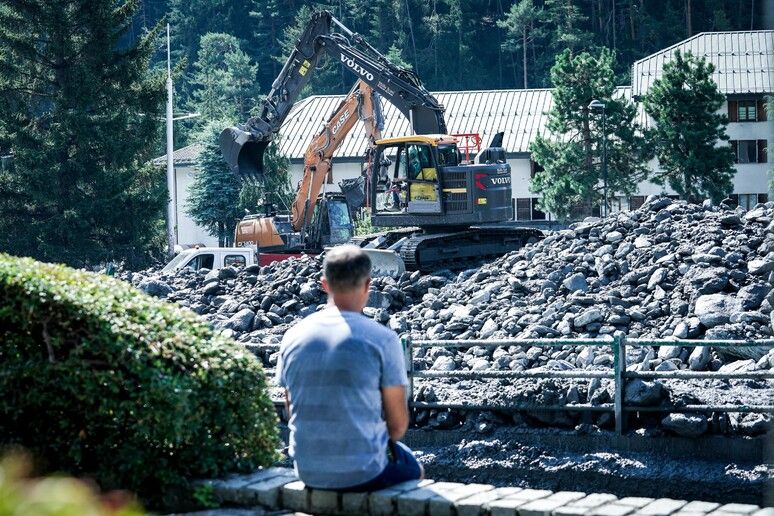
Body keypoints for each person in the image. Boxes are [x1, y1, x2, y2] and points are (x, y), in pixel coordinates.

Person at [276, 245, 423, 491]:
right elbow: (397, 427)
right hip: (362, 473)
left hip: (307, 470)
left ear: (324, 285)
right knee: (411, 465)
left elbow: (292, 411)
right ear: (368, 285)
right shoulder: (383, 339)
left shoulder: (292, 336)